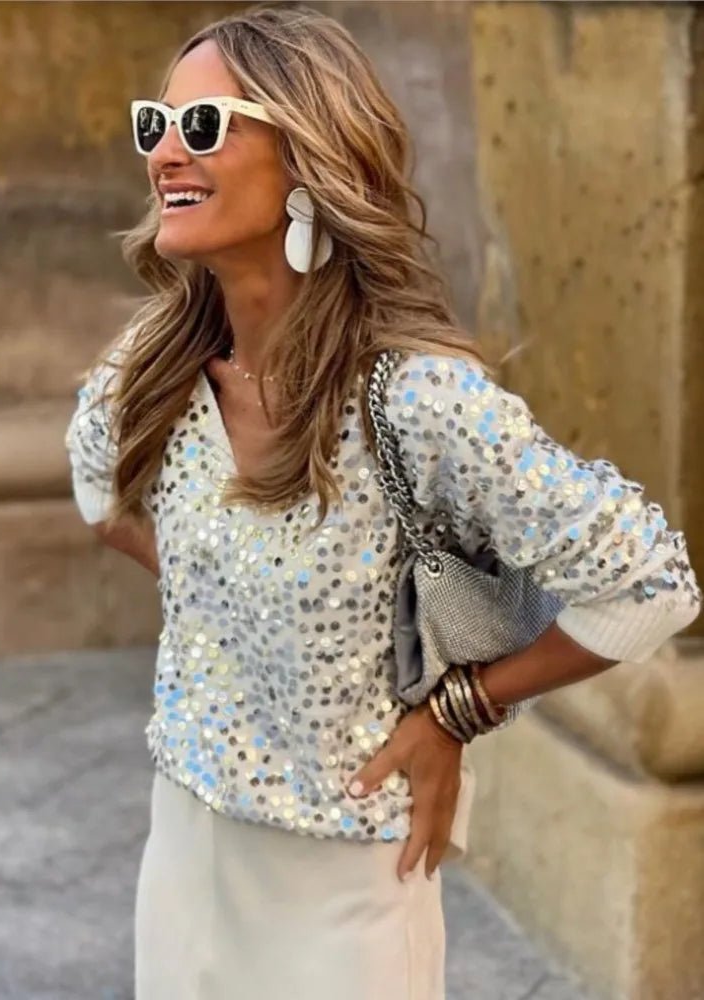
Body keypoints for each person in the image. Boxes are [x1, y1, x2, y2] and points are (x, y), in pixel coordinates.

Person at [63, 5, 701, 999]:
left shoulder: (416, 400)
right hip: (183, 858)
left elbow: (652, 586)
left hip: (346, 892)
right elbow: (99, 497)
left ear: (308, 152)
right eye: (157, 124)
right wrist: (227, 596)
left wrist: (459, 710)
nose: (165, 154)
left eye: (203, 126)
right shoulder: (149, 372)